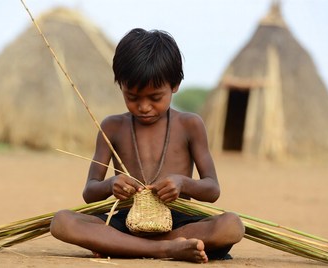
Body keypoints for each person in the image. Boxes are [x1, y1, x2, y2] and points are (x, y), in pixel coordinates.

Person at [50, 28, 244, 263]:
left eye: (155, 98)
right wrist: (111, 184)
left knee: (231, 226)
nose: (143, 107)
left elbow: (212, 189)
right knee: (62, 221)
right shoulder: (112, 127)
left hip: (178, 220)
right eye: (132, 97)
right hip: (126, 219)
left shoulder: (190, 124)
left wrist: (182, 183)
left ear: (175, 85)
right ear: (120, 85)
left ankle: (123, 248)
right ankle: (166, 250)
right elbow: (90, 192)